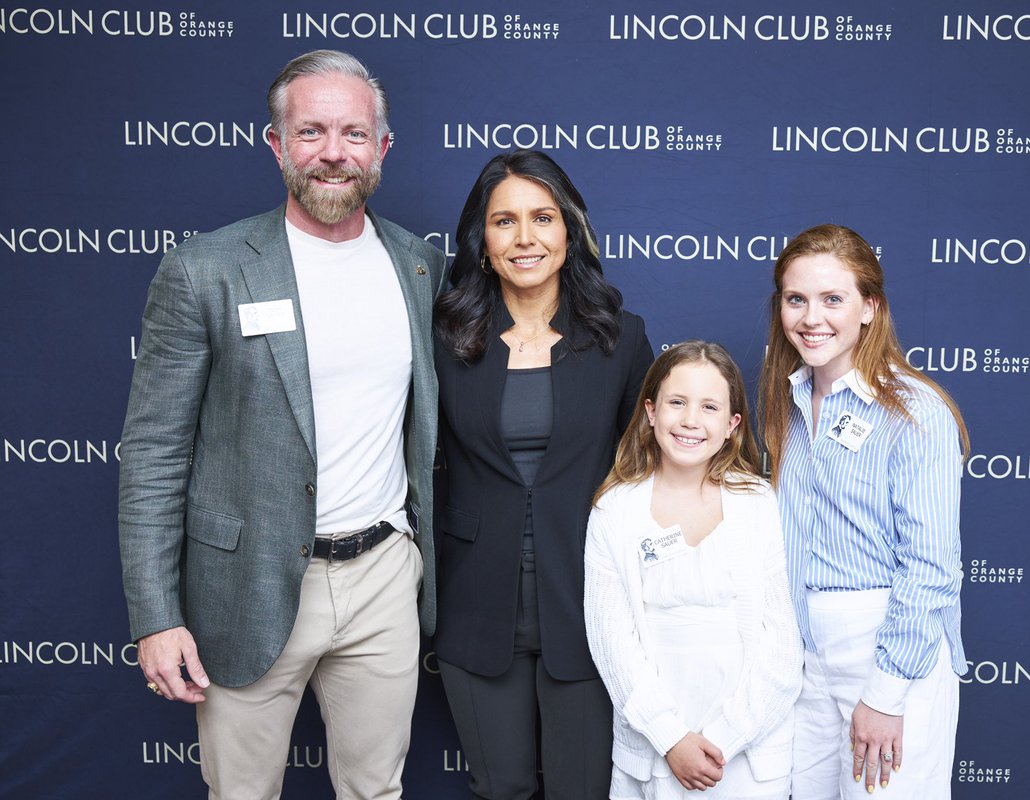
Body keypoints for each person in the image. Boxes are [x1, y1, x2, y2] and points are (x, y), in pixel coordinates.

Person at [118, 50, 445, 799]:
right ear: (275, 144)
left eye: (355, 135)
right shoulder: (205, 270)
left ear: (383, 148)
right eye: (312, 132)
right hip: (248, 584)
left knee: (377, 791)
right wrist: (156, 617)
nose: (334, 153)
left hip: (384, 578)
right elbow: (153, 455)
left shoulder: (420, 267)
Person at [433, 149, 653, 799]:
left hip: (587, 610)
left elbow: (657, 466)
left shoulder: (619, 336)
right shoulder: (442, 337)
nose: (525, 238)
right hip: (475, 611)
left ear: (569, 230)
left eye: (543, 218)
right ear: (480, 240)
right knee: (499, 790)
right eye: (504, 222)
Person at [758, 224, 969, 798]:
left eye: (833, 299)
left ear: (870, 307)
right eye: (795, 299)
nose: (811, 317)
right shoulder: (791, 402)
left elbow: (931, 568)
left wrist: (885, 693)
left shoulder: (916, 412)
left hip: (886, 648)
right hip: (805, 656)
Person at [584, 340, 803, 800]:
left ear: (732, 425)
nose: (690, 420)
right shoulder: (615, 509)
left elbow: (782, 648)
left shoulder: (757, 503)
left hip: (747, 753)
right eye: (676, 403)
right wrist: (672, 739)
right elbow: (612, 644)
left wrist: (722, 741)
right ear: (650, 411)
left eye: (709, 407)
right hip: (653, 752)